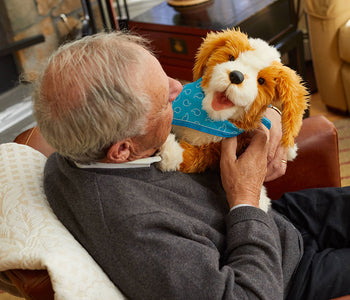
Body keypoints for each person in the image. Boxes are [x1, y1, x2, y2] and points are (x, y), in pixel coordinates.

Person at [33, 31, 350, 300]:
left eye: (164, 76)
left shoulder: (85, 135)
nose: (179, 88)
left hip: (275, 221)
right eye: (163, 99)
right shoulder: (139, 233)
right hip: (283, 276)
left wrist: (271, 115)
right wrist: (245, 196)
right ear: (122, 150)